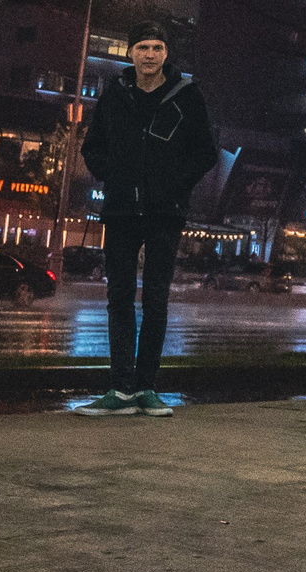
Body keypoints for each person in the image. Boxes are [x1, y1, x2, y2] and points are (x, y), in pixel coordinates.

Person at [74, 22, 218, 416]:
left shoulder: (186, 96)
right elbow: (92, 148)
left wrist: (175, 184)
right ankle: (120, 390)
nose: (149, 54)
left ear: (166, 53)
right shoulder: (115, 96)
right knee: (118, 298)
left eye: (157, 47)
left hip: (164, 214)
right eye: (142, 47)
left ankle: (147, 388)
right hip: (120, 212)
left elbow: (206, 152)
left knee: (156, 300)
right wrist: (115, 174)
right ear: (130, 53)